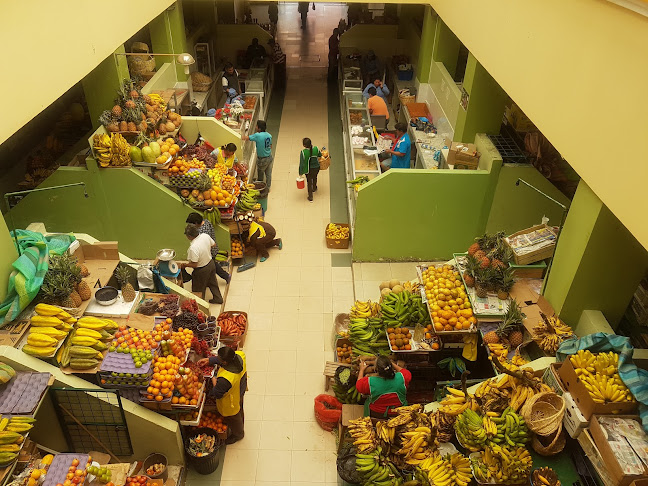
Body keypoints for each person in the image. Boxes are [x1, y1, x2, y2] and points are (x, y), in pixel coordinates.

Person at [198, 347, 247, 444]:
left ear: (224, 362)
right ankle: (240, 423)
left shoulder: (226, 378)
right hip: (240, 388)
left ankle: (238, 434)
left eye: (219, 358)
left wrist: (213, 378)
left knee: (234, 417)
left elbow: (217, 393)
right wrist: (210, 360)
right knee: (240, 408)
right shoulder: (240, 355)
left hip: (231, 400)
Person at [180, 224, 223, 304]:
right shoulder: (205, 236)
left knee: (198, 290)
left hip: (201, 270)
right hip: (211, 264)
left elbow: (194, 264)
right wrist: (205, 251)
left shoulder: (193, 247)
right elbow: (214, 244)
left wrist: (185, 265)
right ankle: (218, 298)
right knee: (213, 283)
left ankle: (200, 306)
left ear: (189, 236)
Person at [185, 213, 231, 283]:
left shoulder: (202, 231)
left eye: (192, 224)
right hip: (213, 247)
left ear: (196, 223)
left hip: (209, 251)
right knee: (213, 265)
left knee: (214, 266)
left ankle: (226, 276)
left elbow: (204, 244)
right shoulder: (206, 221)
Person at [242, 120, 273, 189]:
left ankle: (260, 186)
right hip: (269, 157)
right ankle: (268, 187)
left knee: (260, 172)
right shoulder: (269, 135)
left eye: (256, 126)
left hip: (262, 159)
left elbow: (247, 138)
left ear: (259, 128)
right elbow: (270, 146)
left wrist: (240, 136)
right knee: (268, 174)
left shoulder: (257, 135)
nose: (255, 127)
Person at [299, 138, 321, 202]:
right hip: (316, 168)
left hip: (308, 170)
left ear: (304, 145)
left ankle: (310, 197)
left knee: (309, 182)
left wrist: (300, 173)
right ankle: (314, 188)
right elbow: (320, 155)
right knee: (315, 177)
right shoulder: (316, 149)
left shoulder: (303, 152)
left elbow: (302, 164)